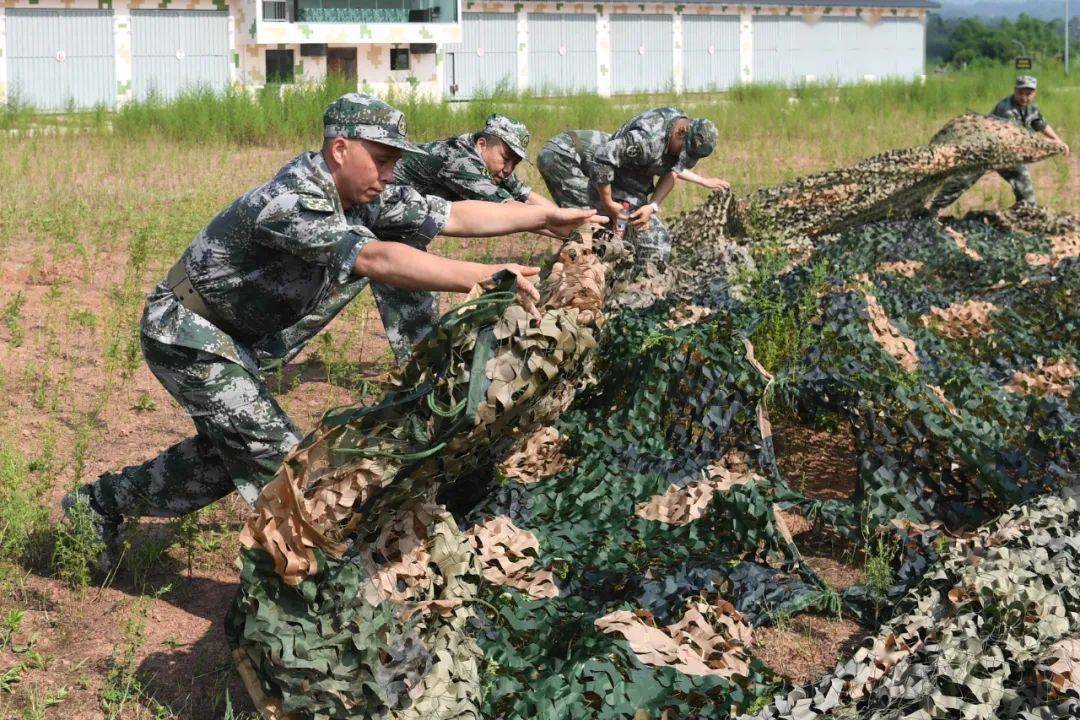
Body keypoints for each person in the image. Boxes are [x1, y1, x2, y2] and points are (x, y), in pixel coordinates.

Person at [62, 93, 598, 569]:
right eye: (382, 160)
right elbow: (378, 257)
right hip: (186, 330)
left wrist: (545, 219)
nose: (389, 175)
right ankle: (315, 589)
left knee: (222, 459)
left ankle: (96, 505)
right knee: (284, 464)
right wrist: (479, 276)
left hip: (229, 337)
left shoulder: (363, 193)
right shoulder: (295, 201)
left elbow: (453, 214)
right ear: (341, 149)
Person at [362, 114, 557, 360]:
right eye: (506, 159)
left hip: (399, 226)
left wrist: (579, 223)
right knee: (339, 281)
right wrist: (572, 229)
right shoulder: (460, 160)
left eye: (515, 164)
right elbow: (516, 213)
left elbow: (528, 199)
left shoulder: (491, 164)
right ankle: (423, 366)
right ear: (482, 144)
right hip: (373, 214)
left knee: (415, 296)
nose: (508, 169)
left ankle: (423, 365)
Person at [537, 108, 726, 265]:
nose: (682, 157)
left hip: (611, 169)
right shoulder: (647, 139)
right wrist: (609, 203)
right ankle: (568, 271)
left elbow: (672, 171)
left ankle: (578, 259)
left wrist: (651, 206)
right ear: (681, 132)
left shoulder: (680, 128)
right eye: (683, 151)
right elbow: (603, 160)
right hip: (563, 156)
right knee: (589, 221)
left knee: (644, 234)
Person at [929, 75, 1070, 213]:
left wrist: (1058, 140)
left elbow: (1040, 124)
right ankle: (931, 211)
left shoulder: (1031, 107)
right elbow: (1019, 138)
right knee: (962, 181)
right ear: (1015, 90)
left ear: (1034, 93)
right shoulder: (1006, 108)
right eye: (1020, 93)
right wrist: (1050, 143)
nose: (1024, 97)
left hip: (1008, 156)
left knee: (1026, 192)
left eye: (1028, 93)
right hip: (985, 152)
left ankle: (1018, 216)